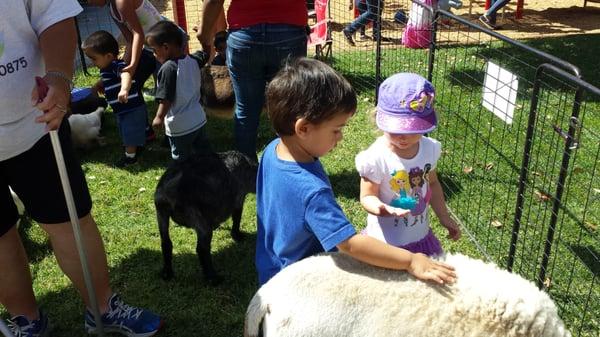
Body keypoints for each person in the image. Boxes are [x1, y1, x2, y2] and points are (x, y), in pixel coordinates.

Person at [0, 1, 163, 336]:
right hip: (35, 120)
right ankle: (26, 319)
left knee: (69, 221)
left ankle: (102, 307)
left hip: (36, 123)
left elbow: (54, 14)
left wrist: (59, 77)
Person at [255, 58, 457, 287]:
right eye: (336, 130)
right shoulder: (312, 191)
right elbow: (349, 244)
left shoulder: (273, 151)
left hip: (272, 263)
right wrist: (410, 261)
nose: (340, 137)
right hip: (304, 278)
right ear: (303, 128)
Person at [355, 73, 461, 256]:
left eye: (413, 130)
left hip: (420, 238)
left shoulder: (430, 149)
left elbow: (433, 184)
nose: (404, 137)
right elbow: (367, 196)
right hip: (385, 244)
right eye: (396, 130)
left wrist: (444, 217)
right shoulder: (376, 157)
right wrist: (383, 209)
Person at [198, 0, 308, 160]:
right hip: (289, 30)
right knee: (289, 106)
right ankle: (290, 165)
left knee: (246, 110)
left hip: (244, 34)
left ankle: (245, 170)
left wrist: (204, 33)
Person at [147, 21, 212, 162]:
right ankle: (207, 176)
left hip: (180, 126)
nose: (153, 54)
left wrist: (159, 117)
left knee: (181, 160)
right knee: (204, 155)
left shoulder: (168, 69)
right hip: (199, 119)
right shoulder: (193, 60)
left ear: (165, 47)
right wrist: (203, 39)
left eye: (154, 50)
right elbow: (206, 53)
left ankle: (183, 179)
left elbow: (166, 98)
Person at [82, 30, 148, 167]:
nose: (92, 62)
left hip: (131, 107)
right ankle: (137, 146)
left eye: (94, 58)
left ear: (108, 56)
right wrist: (98, 86)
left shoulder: (117, 65)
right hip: (122, 109)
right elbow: (107, 79)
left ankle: (130, 158)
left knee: (130, 132)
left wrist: (124, 89)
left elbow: (126, 75)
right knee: (126, 130)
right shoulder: (106, 68)